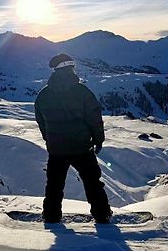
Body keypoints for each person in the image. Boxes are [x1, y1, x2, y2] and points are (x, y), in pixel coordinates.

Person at [35, 53, 112, 223]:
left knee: (54, 185)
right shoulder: (83, 92)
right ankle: (102, 214)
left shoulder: (43, 95)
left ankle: (51, 216)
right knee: (92, 182)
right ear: (70, 68)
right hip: (81, 147)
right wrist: (98, 140)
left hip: (56, 149)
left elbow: (41, 121)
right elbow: (94, 118)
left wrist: (50, 140)